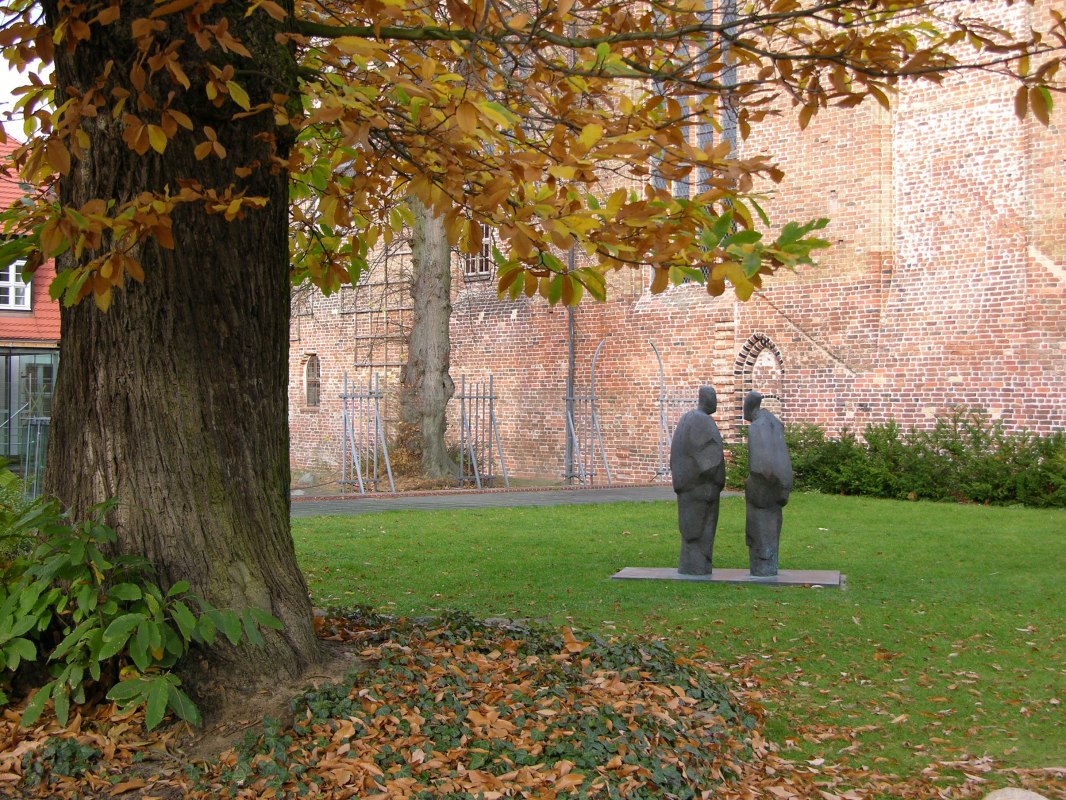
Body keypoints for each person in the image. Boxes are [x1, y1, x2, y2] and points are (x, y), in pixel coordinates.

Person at [669, 386, 726, 575]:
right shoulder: (701, 420)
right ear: (706, 399)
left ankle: (693, 567)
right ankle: (696, 568)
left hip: (691, 486)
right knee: (699, 531)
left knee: (693, 531)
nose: (716, 402)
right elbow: (709, 458)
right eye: (714, 398)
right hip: (700, 487)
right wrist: (716, 478)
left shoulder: (688, 419)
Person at [744, 391, 793, 576]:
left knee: (759, 531)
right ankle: (767, 565)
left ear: (749, 407)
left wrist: (751, 483)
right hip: (777, 488)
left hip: (763, 490)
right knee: (771, 527)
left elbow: (760, 466)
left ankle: (762, 567)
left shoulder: (757, 427)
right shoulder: (773, 424)